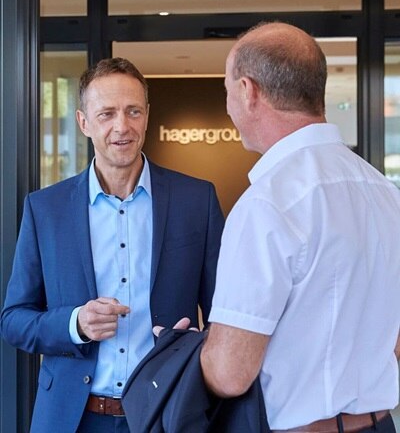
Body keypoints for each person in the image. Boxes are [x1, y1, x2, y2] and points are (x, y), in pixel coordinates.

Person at [1, 57, 224, 433]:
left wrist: (195, 350)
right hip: (71, 419)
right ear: (83, 122)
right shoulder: (45, 209)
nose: (122, 126)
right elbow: (14, 320)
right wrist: (75, 323)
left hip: (167, 415)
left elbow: (224, 313)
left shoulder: (196, 200)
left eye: (133, 111)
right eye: (106, 114)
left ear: (147, 115)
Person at [197, 22, 400, 433]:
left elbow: (229, 374)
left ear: (248, 91)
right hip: (379, 424)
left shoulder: (266, 204)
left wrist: (183, 351)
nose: (229, 105)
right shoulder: (384, 191)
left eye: (227, 89)